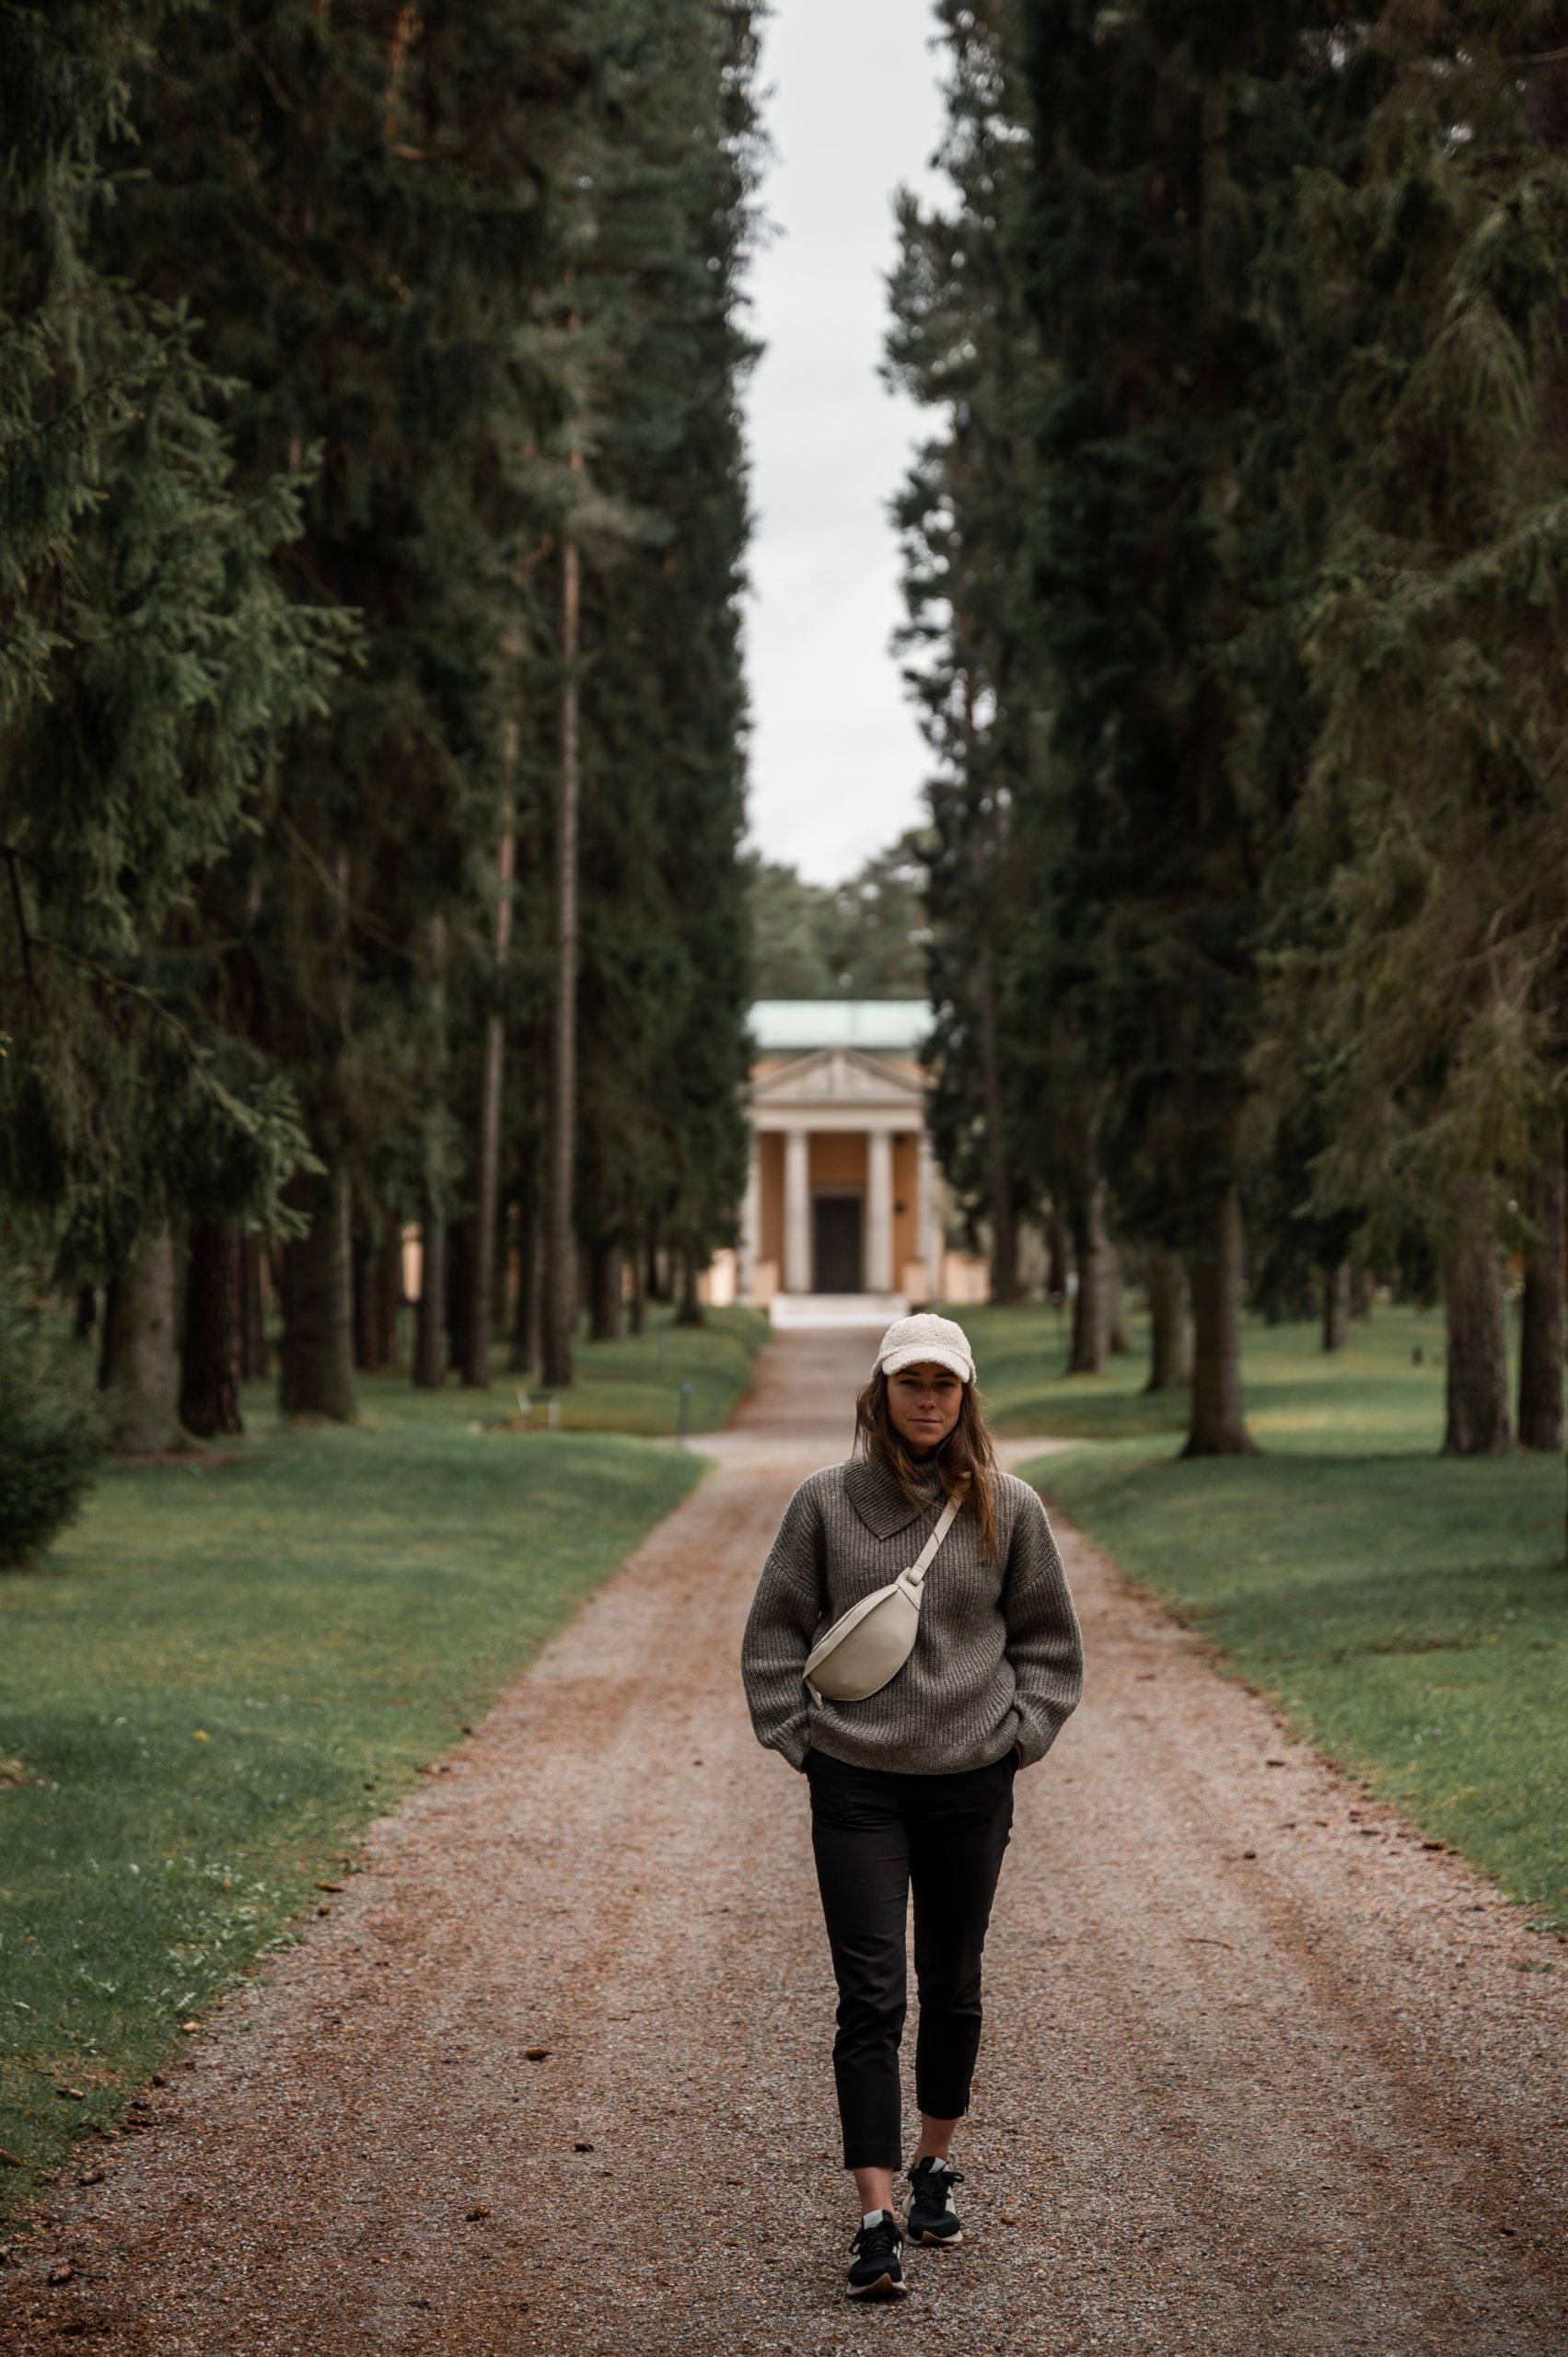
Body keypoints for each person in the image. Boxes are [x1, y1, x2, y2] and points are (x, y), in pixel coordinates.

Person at [740, 1311, 1084, 2300]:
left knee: (954, 1977)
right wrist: (797, 1735)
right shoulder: (821, 1503)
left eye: (943, 1384)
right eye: (909, 1382)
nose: (926, 1400)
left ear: (965, 1394)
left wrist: (1020, 1734)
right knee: (869, 1995)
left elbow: (1050, 1645)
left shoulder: (1008, 1509)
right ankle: (873, 2216)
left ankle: (934, 2158)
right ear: (878, 1392)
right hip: (854, 1783)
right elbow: (772, 1631)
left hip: (969, 1781)